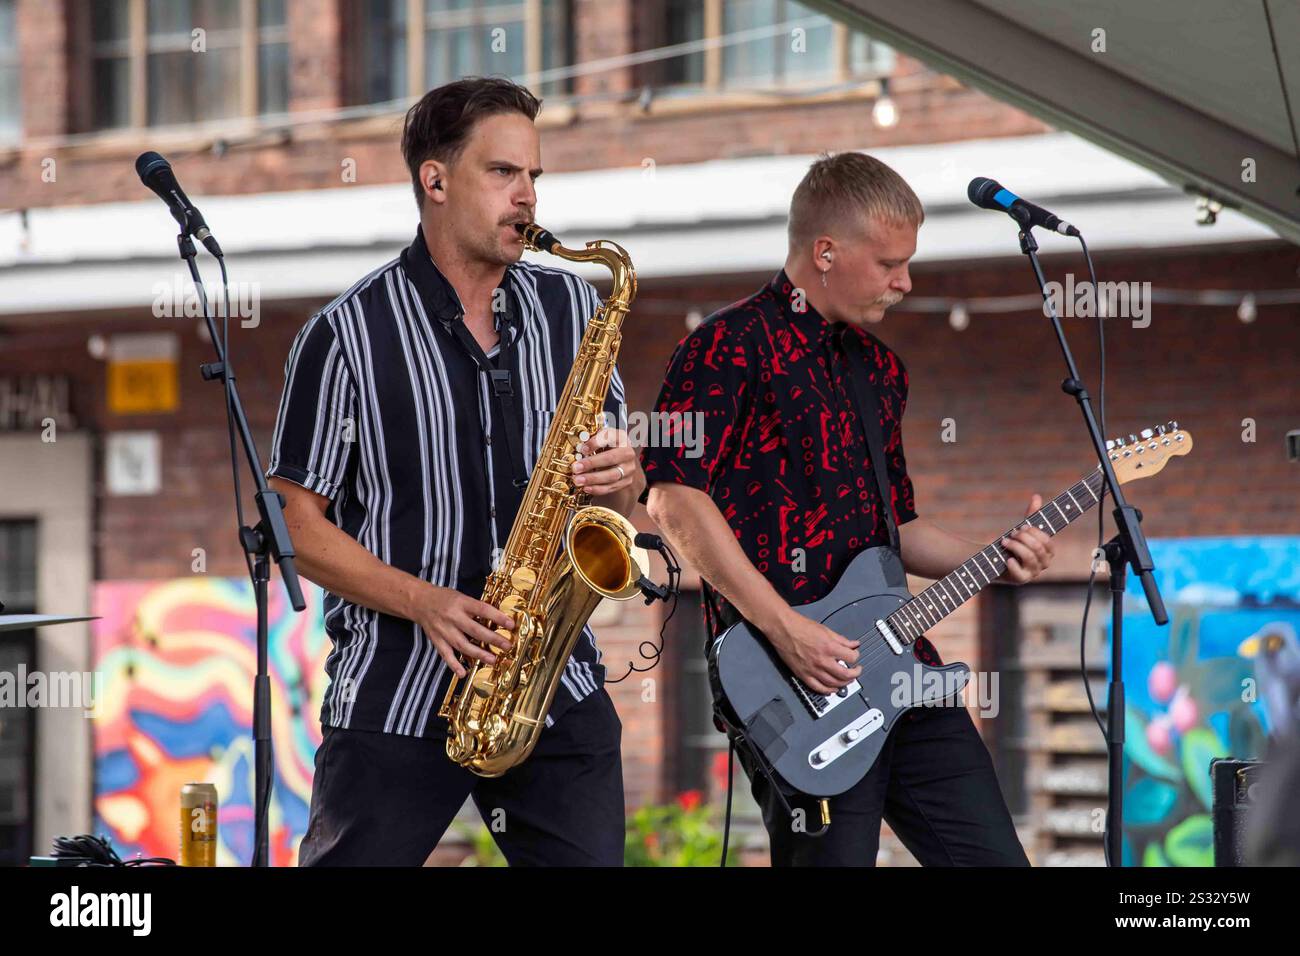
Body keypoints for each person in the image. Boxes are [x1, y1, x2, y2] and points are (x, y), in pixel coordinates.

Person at [268, 77, 644, 866]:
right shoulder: (346, 335)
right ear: (434, 181)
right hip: (399, 695)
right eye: (503, 173)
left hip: (551, 684)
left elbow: (625, 497)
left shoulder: (574, 308)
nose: (527, 198)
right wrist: (426, 602)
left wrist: (621, 476)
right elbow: (292, 526)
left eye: (534, 177)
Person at [640, 151, 1054, 866]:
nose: (906, 282)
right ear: (825, 252)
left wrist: (995, 560)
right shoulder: (724, 347)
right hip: (790, 678)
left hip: (903, 670)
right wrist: (788, 629)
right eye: (890, 263)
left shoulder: (880, 370)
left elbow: (900, 529)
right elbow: (672, 499)